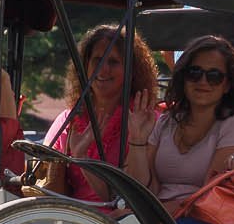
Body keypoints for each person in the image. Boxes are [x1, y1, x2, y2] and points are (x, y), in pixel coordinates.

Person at [132, 36, 234, 224]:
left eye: (214, 76)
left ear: (227, 84)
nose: (203, 81)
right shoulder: (166, 121)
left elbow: (208, 195)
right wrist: (138, 141)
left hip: (200, 220)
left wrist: (152, 214)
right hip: (156, 213)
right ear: (183, 77)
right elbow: (144, 186)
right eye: (195, 72)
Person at [44, 23, 159, 204]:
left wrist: (137, 139)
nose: (103, 70)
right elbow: (45, 172)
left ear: (131, 71)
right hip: (67, 218)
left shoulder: (145, 120)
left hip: (120, 222)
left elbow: (132, 195)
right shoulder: (68, 119)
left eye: (113, 62)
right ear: (85, 66)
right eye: (97, 60)